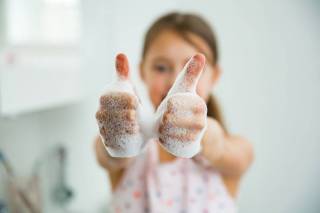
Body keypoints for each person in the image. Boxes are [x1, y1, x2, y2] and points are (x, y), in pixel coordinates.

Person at [94, 12, 254, 212]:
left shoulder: (235, 150)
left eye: (192, 69)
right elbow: (106, 155)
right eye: (161, 68)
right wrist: (118, 136)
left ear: (215, 77)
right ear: (143, 71)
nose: (173, 83)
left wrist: (203, 135)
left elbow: (222, 148)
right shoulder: (130, 153)